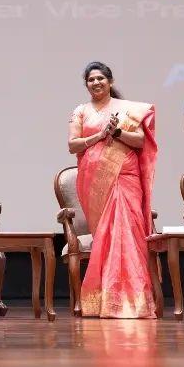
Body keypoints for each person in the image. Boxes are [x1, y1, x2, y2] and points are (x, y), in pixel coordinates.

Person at [67, 61, 158, 319]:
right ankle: (102, 301)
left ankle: (132, 302)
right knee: (106, 238)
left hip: (126, 179)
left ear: (110, 81)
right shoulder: (81, 111)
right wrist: (98, 137)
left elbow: (141, 141)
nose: (96, 83)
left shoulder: (128, 110)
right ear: (86, 84)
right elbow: (73, 145)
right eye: (91, 79)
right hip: (95, 182)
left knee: (127, 236)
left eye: (100, 78)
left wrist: (117, 132)